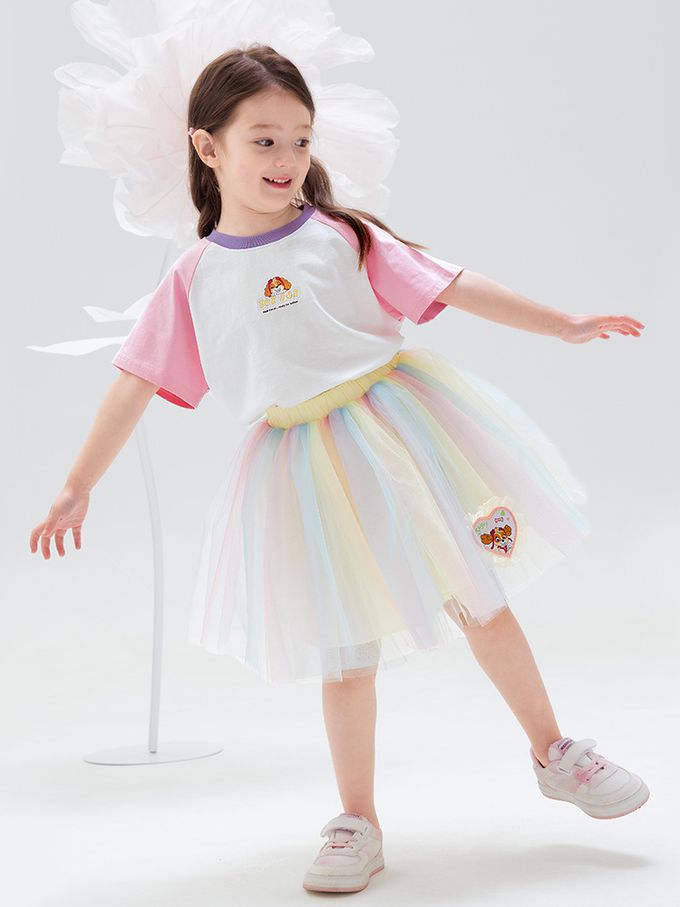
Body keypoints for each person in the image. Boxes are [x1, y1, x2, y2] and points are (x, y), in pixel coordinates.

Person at [29, 43, 649, 894]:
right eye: (263, 140)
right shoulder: (195, 276)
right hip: (303, 475)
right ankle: (357, 819)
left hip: (405, 436)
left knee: (481, 597)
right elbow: (134, 380)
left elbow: (452, 283)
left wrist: (563, 323)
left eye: (300, 139)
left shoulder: (343, 237)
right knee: (345, 654)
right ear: (207, 147)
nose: (286, 158)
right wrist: (78, 484)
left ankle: (554, 750)